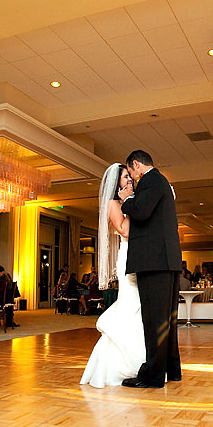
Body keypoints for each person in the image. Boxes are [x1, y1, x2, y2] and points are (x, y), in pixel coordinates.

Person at [117, 150, 182, 388]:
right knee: (167, 321)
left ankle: (153, 377)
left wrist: (126, 200)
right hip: (165, 261)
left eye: (131, 172)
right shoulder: (160, 181)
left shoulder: (151, 180)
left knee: (154, 321)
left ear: (136, 164)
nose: (132, 178)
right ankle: (171, 370)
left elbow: (141, 211)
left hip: (155, 261)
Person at [81, 163, 146, 388]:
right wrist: (129, 202)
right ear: (116, 182)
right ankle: (123, 365)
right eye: (125, 177)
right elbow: (125, 230)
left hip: (139, 255)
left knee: (138, 310)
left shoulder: (130, 199)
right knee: (130, 306)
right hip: (127, 258)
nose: (129, 179)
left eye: (130, 176)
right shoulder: (113, 203)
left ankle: (140, 361)